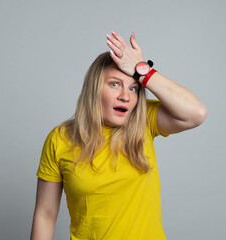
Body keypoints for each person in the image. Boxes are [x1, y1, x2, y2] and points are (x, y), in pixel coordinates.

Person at [30, 31, 207, 240]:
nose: (125, 96)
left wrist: (143, 72)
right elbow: (45, 215)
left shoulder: (144, 121)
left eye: (133, 88)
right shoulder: (59, 139)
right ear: (94, 89)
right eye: (114, 84)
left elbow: (196, 113)